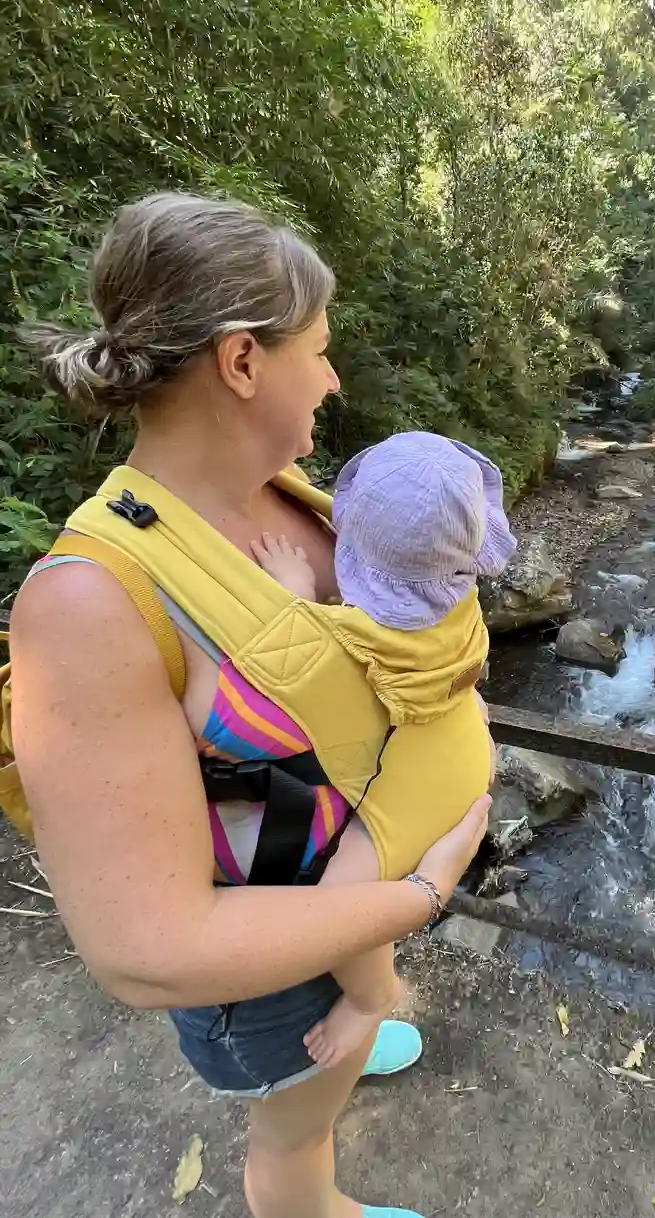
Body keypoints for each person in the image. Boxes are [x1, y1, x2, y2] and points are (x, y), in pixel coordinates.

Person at [10, 192, 493, 1218]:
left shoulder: (291, 487)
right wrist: (426, 886)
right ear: (241, 362)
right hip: (270, 975)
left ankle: (358, 1027)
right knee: (295, 1135)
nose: (333, 376)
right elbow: (149, 951)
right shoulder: (88, 605)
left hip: (346, 885)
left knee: (356, 1028)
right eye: (317, 349)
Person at [250, 430, 516, 1070]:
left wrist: (293, 594)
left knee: (341, 907)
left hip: (415, 790)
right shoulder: (459, 600)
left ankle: (371, 998)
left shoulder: (342, 635)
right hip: (463, 745)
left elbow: (306, 678)